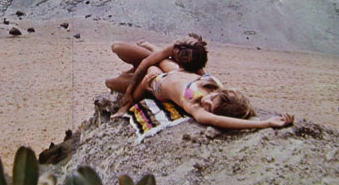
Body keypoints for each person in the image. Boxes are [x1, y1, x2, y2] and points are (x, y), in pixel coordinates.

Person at [107, 36, 294, 130]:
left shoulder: (197, 108)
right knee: (118, 47)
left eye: (210, 107)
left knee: (111, 82)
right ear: (219, 93)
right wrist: (128, 96)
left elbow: (217, 120)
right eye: (212, 99)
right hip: (172, 69)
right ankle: (152, 52)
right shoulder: (212, 83)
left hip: (154, 81)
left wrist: (266, 124)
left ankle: (149, 58)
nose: (206, 102)